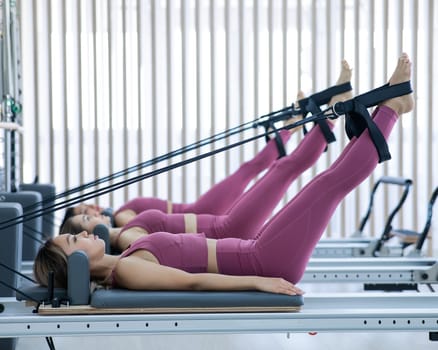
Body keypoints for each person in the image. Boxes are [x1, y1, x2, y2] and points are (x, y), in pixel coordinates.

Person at [34, 54, 414, 295]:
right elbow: (193, 282)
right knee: (326, 184)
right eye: (74, 240)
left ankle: (385, 108)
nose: (84, 231)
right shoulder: (128, 268)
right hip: (262, 259)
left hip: (254, 249)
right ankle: (392, 107)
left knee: (311, 180)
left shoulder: (127, 257)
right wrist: (258, 281)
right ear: (74, 267)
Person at [60, 61, 353, 251]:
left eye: (88, 209)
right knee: (270, 170)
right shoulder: (123, 222)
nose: (95, 210)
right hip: (210, 216)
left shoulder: (124, 219)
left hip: (209, 217)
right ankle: (325, 118)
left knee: (260, 170)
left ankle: (301, 126)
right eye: (87, 217)